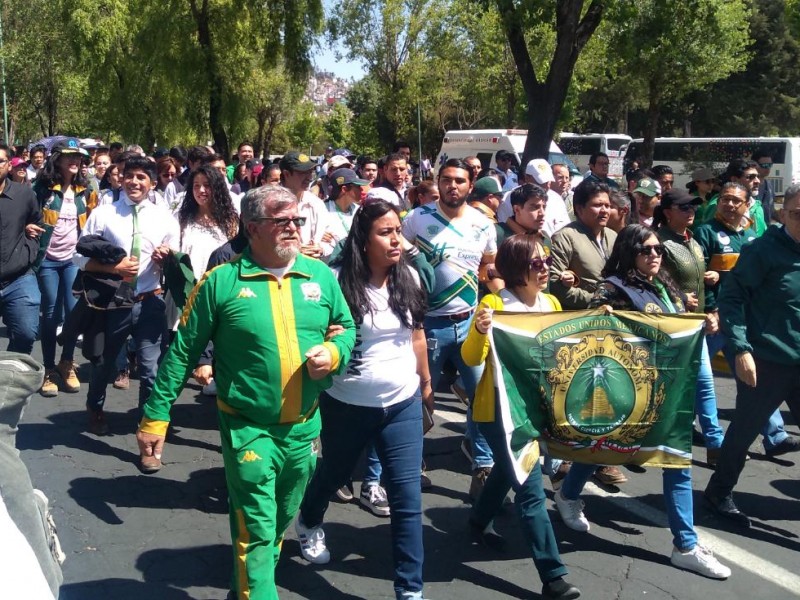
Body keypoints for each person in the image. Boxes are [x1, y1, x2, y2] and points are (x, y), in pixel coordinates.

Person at [137, 185, 356, 600]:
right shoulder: (221, 282)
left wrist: (334, 352)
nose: (294, 228)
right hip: (247, 430)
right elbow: (182, 352)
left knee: (275, 527)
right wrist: (155, 417)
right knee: (255, 530)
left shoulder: (321, 275)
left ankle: (248, 588)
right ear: (252, 227)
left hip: (304, 431)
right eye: (282, 221)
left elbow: (345, 329)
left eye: (297, 220)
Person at [554, 224, 731, 580]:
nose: (655, 255)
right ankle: (569, 493)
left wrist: (702, 322)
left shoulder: (665, 282)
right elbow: (599, 332)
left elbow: (678, 322)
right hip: (636, 388)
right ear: (628, 252)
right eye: (646, 250)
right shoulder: (612, 289)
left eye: (658, 250)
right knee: (609, 447)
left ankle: (685, 545)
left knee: (676, 458)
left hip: (676, 383)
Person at [296, 198, 431, 600]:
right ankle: (308, 520)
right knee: (334, 474)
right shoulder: (335, 281)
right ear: (363, 237)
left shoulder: (410, 278)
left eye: (398, 231)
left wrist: (425, 386)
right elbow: (318, 338)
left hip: (402, 403)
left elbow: (417, 335)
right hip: (347, 404)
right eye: (385, 232)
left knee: (407, 500)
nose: (396, 240)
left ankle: (410, 590)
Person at [462, 234, 581, 600]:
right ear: (517, 269)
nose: (545, 268)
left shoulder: (551, 301)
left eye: (546, 261)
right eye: (536, 263)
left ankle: (479, 519)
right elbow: (470, 358)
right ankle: (553, 576)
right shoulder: (495, 303)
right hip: (500, 411)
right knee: (529, 490)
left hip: (537, 408)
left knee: (506, 470)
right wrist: (481, 330)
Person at [704, 183, 800, 526]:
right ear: (781, 214)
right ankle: (718, 492)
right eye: (797, 214)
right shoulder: (763, 251)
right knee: (744, 430)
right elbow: (732, 299)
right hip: (767, 361)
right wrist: (741, 349)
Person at [403, 158, 498, 500]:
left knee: (482, 397)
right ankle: (411, 463)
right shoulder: (416, 219)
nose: (452, 186)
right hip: (428, 326)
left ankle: (482, 465)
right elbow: (398, 263)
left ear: (470, 186)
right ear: (438, 183)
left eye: (459, 180)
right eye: (446, 180)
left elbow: (488, 266)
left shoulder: (483, 223)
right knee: (417, 399)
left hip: (470, 325)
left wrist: (507, 298)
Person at [74, 157, 179, 436]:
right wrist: (113, 268)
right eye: (129, 176)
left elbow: (178, 260)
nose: (134, 181)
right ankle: (95, 407)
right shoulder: (104, 214)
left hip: (150, 302)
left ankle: (148, 427)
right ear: (121, 179)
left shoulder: (165, 218)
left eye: (141, 177)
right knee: (104, 363)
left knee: (151, 370)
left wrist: (166, 258)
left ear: (153, 184)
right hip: (112, 303)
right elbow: (78, 257)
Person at [694, 181, 796, 457]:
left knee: (754, 384)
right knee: (697, 380)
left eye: (735, 201)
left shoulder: (752, 237)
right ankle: (684, 430)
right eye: (725, 199)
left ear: (746, 205)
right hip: (713, 320)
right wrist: (708, 310)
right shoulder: (706, 233)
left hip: (744, 322)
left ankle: (774, 436)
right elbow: (694, 276)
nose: (729, 205)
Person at [548, 179, 626, 486]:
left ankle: (601, 457)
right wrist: (596, 300)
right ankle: (565, 457)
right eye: (597, 204)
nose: (604, 210)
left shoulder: (613, 236)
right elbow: (555, 284)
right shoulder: (565, 237)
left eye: (607, 204)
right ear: (579, 208)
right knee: (573, 397)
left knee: (605, 393)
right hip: (576, 328)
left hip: (609, 327)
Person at [653, 189, 725, 466]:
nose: (690, 211)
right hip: (670, 328)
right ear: (668, 211)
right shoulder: (658, 242)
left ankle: (715, 444)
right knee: (667, 388)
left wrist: (711, 310)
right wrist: (679, 299)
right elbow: (653, 280)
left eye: (693, 207)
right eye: (683, 208)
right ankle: (646, 440)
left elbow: (698, 281)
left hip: (695, 326)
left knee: (704, 383)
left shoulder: (693, 241)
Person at [33, 140, 91, 397]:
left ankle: (66, 362)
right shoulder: (42, 189)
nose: (74, 160)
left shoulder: (85, 191)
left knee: (73, 314)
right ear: (56, 159)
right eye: (68, 156)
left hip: (72, 260)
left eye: (77, 156)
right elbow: (28, 215)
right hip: (46, 259)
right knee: (50, 314)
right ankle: (47, 370)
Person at [0, 143, 42, 355]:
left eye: (0, 161)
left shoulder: (24, 194)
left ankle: (11, 372)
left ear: (9, 165)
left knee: (26, 334)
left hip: (18, 277)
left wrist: (29, 251)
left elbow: (37, 222)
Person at [279, 151, 328, 258]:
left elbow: (330, 237)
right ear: (286, 174)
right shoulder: (269, 204)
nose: (309, 177)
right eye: (303, 173)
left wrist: (321, 248)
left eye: (311, 172)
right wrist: (295, 250)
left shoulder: (316, 203)